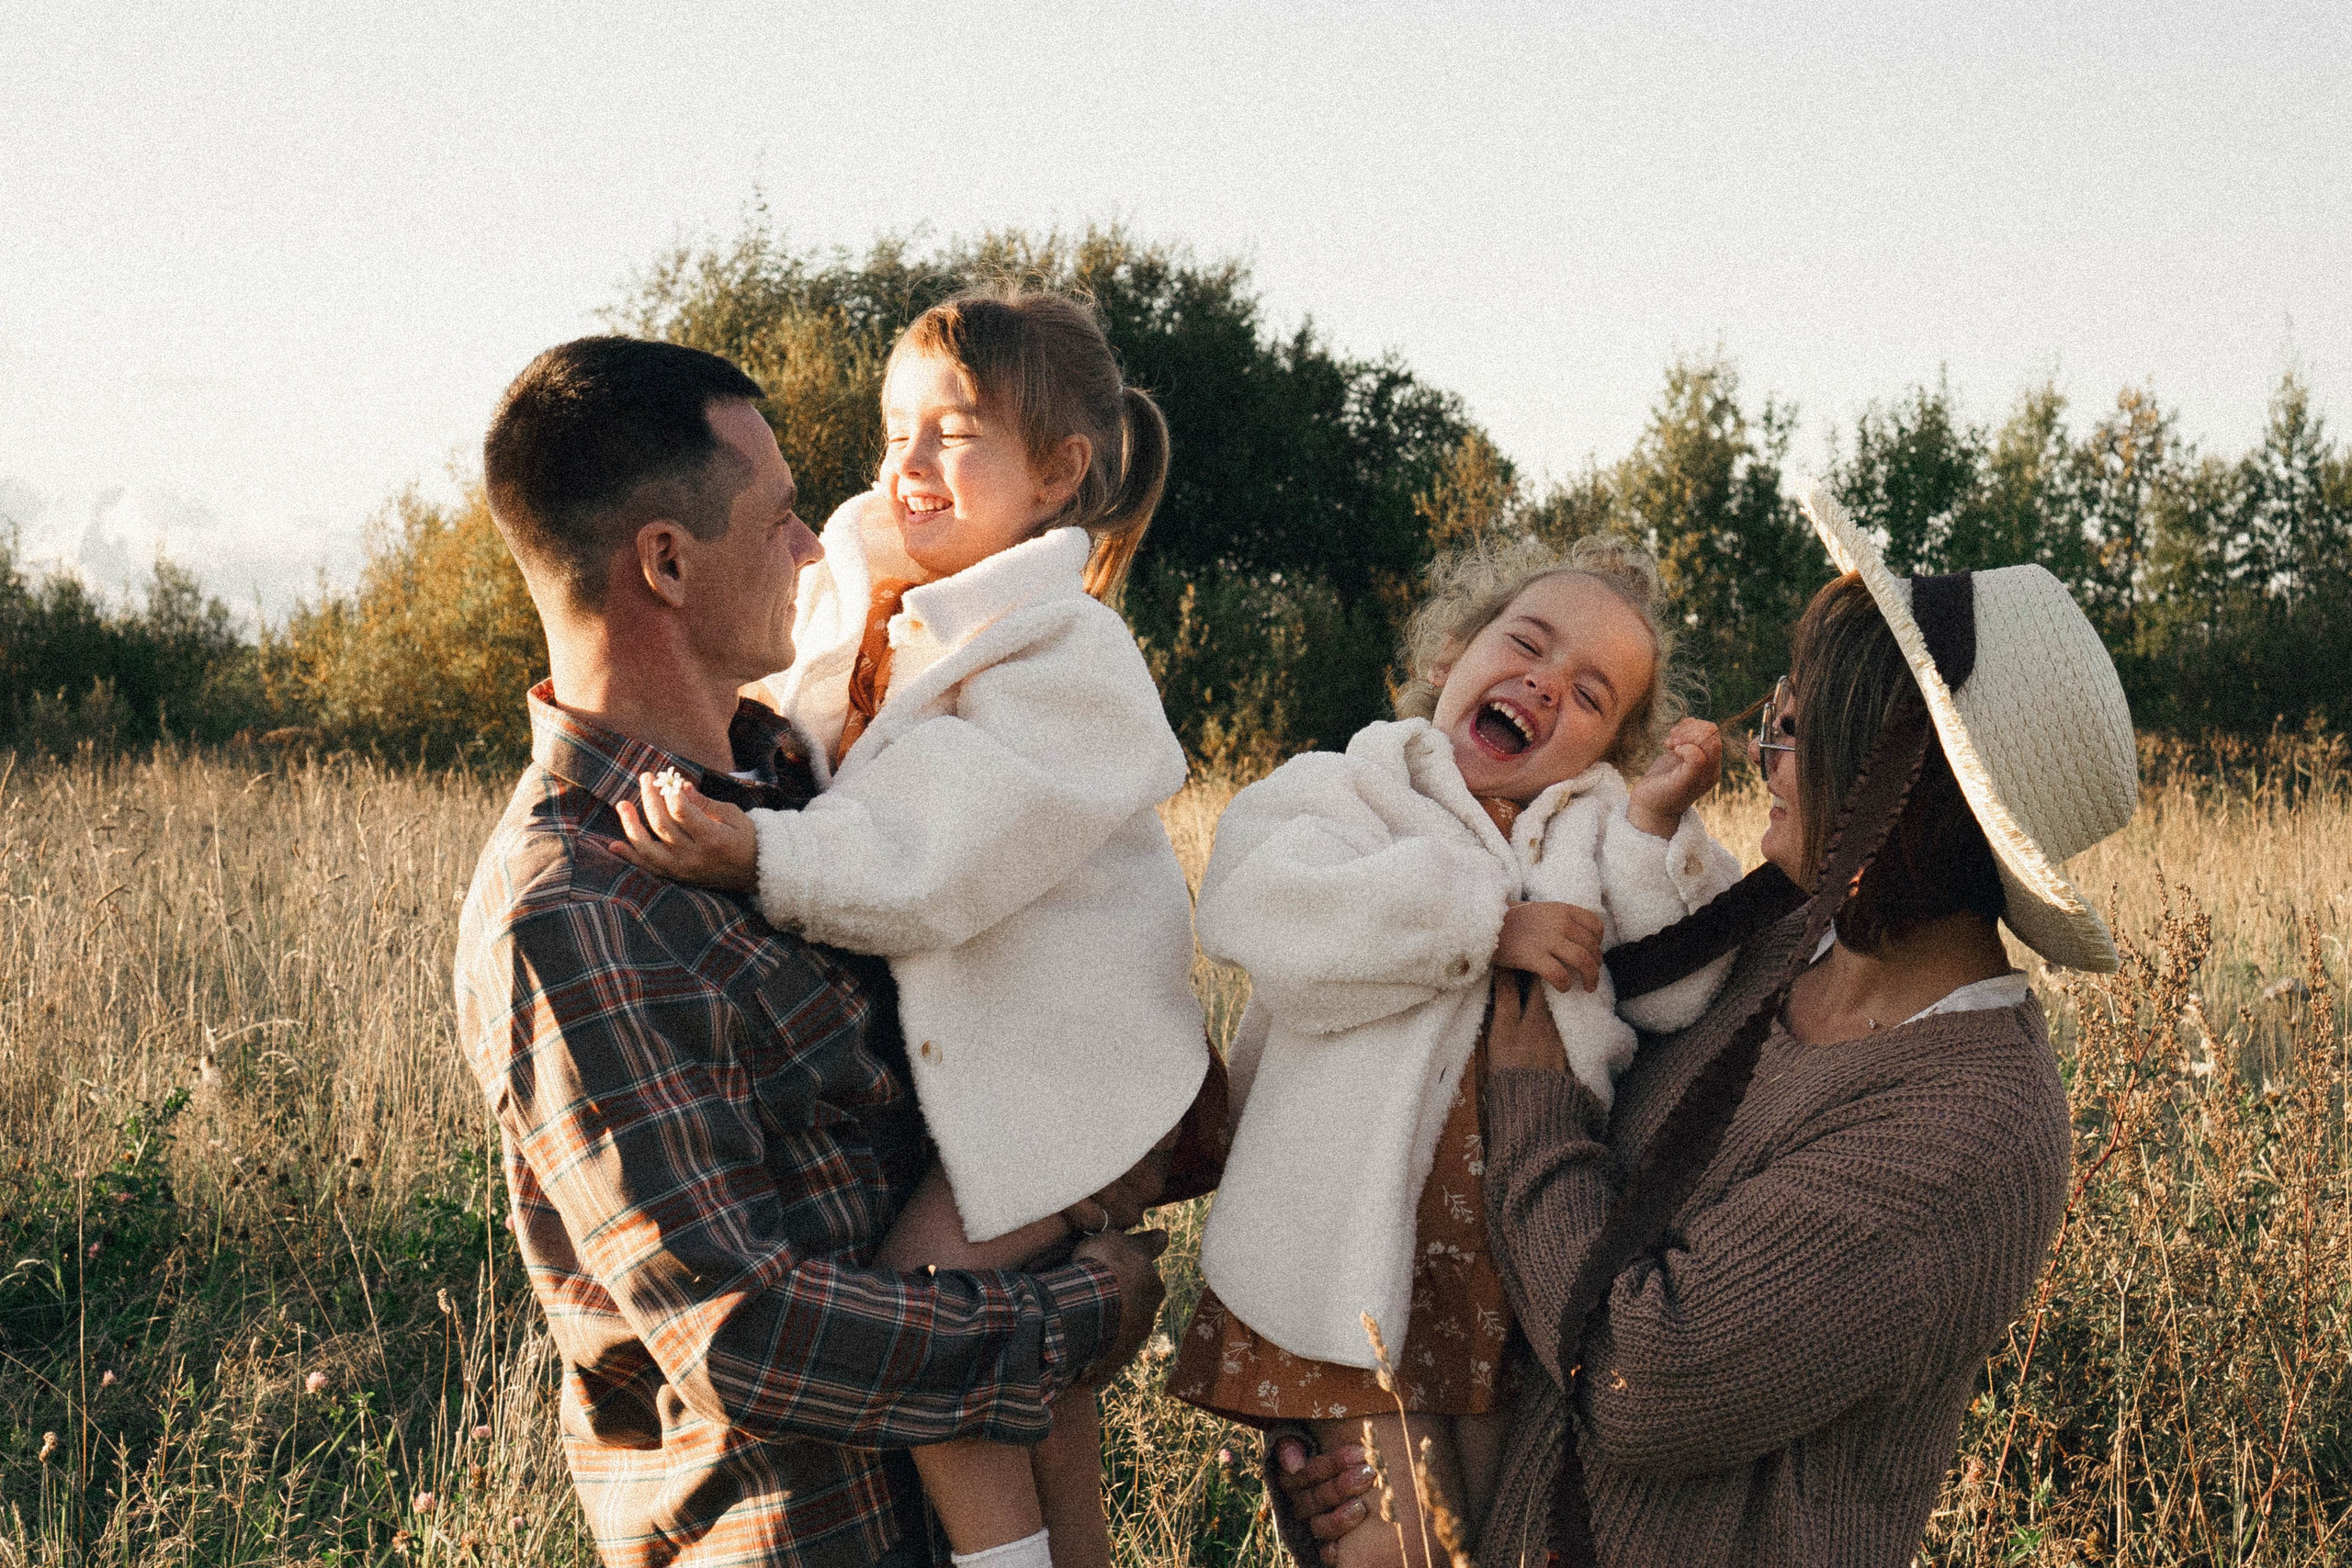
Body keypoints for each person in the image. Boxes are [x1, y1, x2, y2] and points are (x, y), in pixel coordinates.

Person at [1275, 486, 2140, 1566]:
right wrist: (1367, 1454)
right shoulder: (1770, 948)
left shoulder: (1972, 1129)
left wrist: (1530, 1095)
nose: (1763, 747)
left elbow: (1649, 1378)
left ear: (1905, 788)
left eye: (1799, 724)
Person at [454, 334, 1172, 1568]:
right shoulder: (577, 907)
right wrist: (1071, 1313)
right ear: (667, 563)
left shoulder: (808, 777)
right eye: (784, 517)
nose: (816, 546)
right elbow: (738, 1329)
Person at [1166, 535, 1741, 1565]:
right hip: (1344, 1251)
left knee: (1472, 1543)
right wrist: (1485, 928)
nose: (1544, 684)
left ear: (1608, 751)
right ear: (1449, 656)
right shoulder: (1348, 788)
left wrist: (1658, 828)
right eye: (1525, 644)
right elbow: (1263, 910)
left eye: (1592, 694)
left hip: (1506, 1270)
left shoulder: (1596, 830)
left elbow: (1682, 984)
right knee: (1395, 1549)